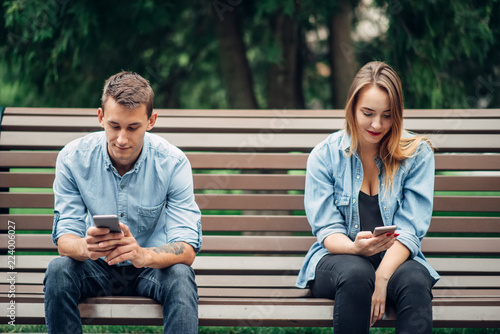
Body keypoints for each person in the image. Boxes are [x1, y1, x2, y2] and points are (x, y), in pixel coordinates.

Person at [43, 71, 202, 334]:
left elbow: (187, 249)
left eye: (133, 127)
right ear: (100, 117)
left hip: (151, 266)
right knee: (59, 270)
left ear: (151, 121)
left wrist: (143, 255)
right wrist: (86, 247)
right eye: (114, 126)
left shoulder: (172, 163)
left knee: (181, 277)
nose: (122, 139)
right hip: (97, 266)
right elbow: (64, 240)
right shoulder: (73, 159)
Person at [296, 61, 440, 333]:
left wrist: (383, 277)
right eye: (368, 113)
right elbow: (327, 229)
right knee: (356, 273)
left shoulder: (417, 155)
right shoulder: (324, 156)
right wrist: (353, 249)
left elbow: (410, 231)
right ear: (351, 108)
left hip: (395, 261)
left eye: (387, 115)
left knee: (415, 280)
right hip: (339, 261)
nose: (377, 124)